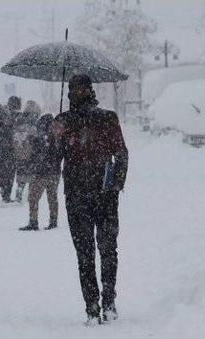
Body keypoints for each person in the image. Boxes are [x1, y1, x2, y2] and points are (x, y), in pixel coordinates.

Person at [52, 75, 129, 325]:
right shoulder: (107, 118)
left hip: (77, 195)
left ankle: (93, 306)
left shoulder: (64, 121)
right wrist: (116, 184)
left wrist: (54, 135)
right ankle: (108, 301)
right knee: (108, 250)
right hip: (105, 195)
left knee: (85, 253)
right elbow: (122, 154)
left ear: (70, 94)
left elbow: (53, 159)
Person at [19, 113, 60, 231]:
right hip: (54, 172)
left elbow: (32, 156)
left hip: (41, 173)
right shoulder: (57, 138)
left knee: (33, 198)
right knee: (52, 197)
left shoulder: (38, 138)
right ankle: (53, 221)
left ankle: (33, 221)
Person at [12, 100, 41, 202]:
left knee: (21, 170)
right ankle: (30, 193)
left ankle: (20, 188)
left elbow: (14, 134)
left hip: (19, 150)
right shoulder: (34, 121)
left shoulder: (19, 120)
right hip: (31, 151)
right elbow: (37, 137)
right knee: (32, 171)